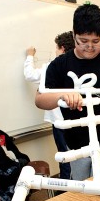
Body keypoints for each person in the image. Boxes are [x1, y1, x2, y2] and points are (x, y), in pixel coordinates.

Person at [35, 4, 100, 181]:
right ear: (74, 35)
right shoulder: (60, 65)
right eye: (83, 41)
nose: (89, 46)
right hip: (76, 143)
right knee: (81, 194)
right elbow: (40, 99)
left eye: (96, 41)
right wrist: (62, 96)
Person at [24, 31, 75, 179]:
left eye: (57, 48)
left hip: (59, 122)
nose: (55, 51)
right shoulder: (78, 66)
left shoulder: (52, 67)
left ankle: (66, 189)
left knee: (64, 156)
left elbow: (30, 74)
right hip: (76, 119)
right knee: (78, 155)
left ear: (63, 48)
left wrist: (29, 55)